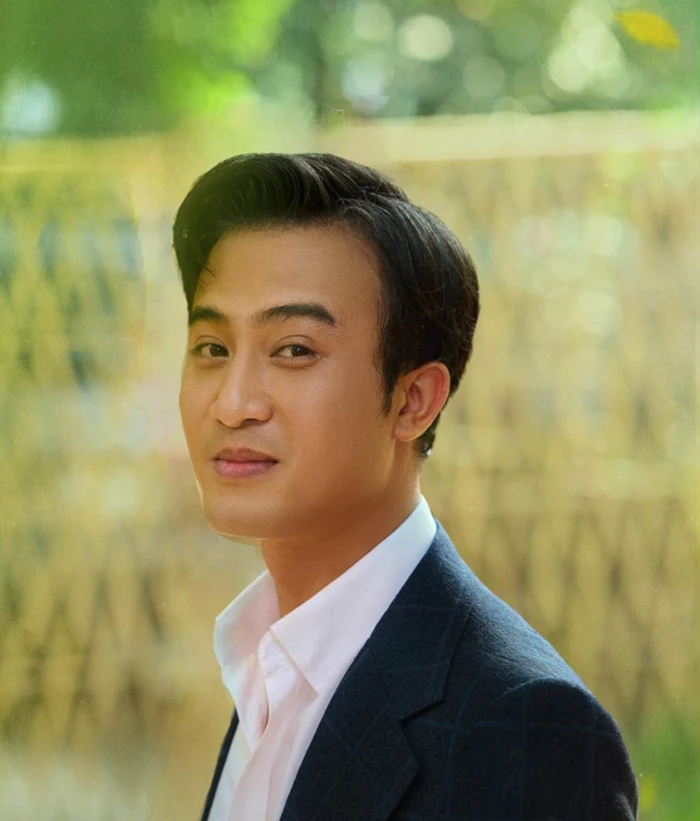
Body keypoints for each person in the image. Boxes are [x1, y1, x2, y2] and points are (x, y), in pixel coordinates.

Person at [173, 152, 638, 821]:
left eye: (294, 349)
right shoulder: (266, 656)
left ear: (414, 400)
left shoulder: (522, 730)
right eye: (212, 349)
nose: (232, 403)